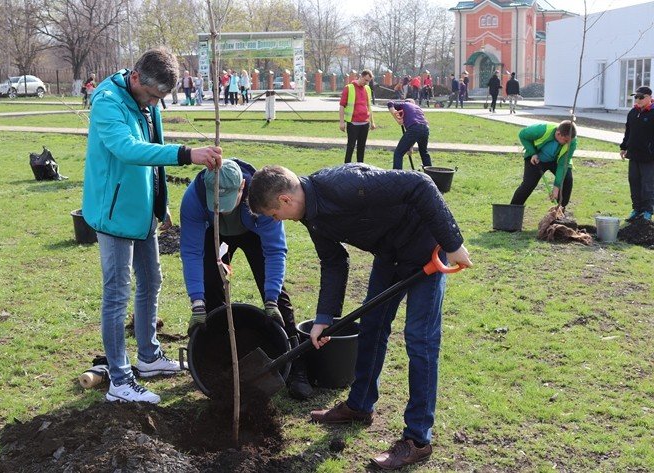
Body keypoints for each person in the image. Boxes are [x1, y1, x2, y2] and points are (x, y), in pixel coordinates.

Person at [247, 163, 472, 471]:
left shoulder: (342, 184)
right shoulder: (311, 216)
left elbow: (419, 184)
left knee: (420, 340)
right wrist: (324, 317)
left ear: (285, 200)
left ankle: (418, 440)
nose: (278, 220)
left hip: (426, 249)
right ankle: (359, 406)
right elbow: (333, 260)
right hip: (389, 252)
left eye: (274, 214)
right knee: (372, 328)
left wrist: (452, 243)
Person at [81, 48, 223, 404]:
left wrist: (162, 205)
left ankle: (147, 357)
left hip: (143, 210)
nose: (157, 103)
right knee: (117, 293)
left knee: (152, 280)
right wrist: (186, 154)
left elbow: (153, 148)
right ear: (136, 79)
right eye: (155, 96)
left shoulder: (147, 102)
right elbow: (128, 149)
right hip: (114, 213)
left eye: (162, 98)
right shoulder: (107, 102)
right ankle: (119, 379)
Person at [179, 158, 313, 400]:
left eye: (228, 202)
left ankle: (297, 367)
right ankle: (221, 365)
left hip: (253, 232)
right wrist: (197, 303)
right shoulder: (194, 199)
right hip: (215, 234)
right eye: (216, 204)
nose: (222, 209)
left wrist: (270, 299)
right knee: (211, 291)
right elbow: (191, 252)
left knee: (277, 299)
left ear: (242, 187)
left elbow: (274, 250)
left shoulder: (262, 196)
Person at [510, 121, 577, 207]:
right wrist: (532, 153)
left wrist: (556, 188)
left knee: (567, 179)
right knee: (528, 185)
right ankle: (513, 210)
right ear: (558, 133)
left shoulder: (572, 142)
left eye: (569, 141)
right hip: (536, 158)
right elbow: (522, 134)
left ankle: (560, 209)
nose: (568, 143)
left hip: (556, 161)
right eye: (566, 140)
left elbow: (562, 165)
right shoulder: (541, 130)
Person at [620, 86, 654, 221]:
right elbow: (628, 132)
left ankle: (647, 211)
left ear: (649, 98)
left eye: (641, 97)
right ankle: (636, 209)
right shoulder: (633, 112)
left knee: (647, 184)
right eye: (636, 97)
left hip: (649, 157)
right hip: (633, 154)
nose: (638, 100)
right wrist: (623, 147)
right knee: (634, 182)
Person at [339, 69, 376, 164]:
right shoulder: (349, 88)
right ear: (361, 76)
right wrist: (342, 122)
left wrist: (372, 121)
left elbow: (369, 106)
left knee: (362, 146)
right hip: (353, 123)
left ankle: (360, 166)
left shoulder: (367, 89)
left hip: (365, 123)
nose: (367, 83)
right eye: (365, 80)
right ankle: (346, 167)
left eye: (369, 81)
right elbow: (342, 106)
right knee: (351, 146)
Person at [388, 99, 432, 169]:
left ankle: (396, 175)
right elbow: (412, 134)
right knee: (424, 152)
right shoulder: (418, 108)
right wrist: (410, 147)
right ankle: (431, 173)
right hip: (425, 128)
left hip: (414, 128)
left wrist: (397, 119)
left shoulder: (404, 104)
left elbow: (390, 103)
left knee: (398, 153)